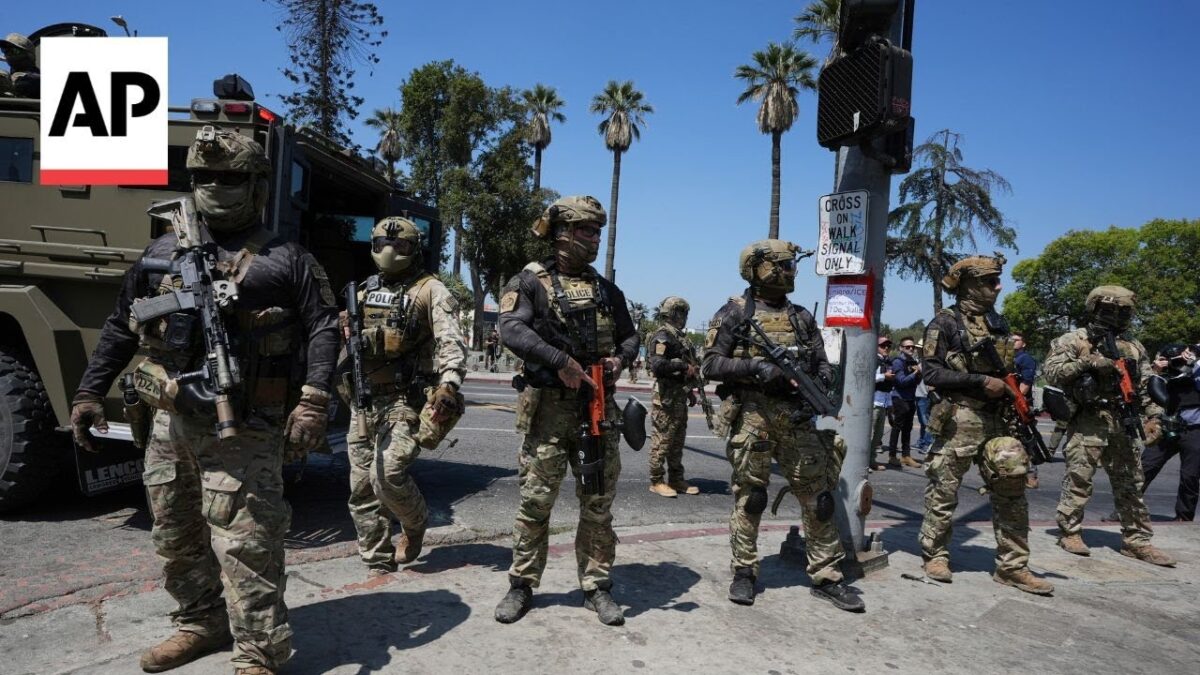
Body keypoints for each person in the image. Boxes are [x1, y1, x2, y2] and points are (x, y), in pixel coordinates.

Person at [69, 126, 338, 674]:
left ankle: (258, 652)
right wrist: (89, 391)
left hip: (243, 425)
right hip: (168, 422)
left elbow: (324, 328)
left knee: (247, 544)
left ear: (258, 185)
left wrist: (312, 401)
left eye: (232, 176)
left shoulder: (285, 259)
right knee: (175, 534)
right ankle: (200, 622)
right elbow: (122, 326)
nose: (217, 185)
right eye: (204, 176)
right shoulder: (161, 252)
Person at [492, 196, 639, 626]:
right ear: (561, 233)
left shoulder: (607, 290)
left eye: (597, 232)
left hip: (597, 410)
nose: (593, 239)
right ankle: (521, 585)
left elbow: (630, 338)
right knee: (536, 503)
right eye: (585, 231)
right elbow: (511, 329)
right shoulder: (530, 283)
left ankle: (597, 586)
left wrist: (618, 361)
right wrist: (561, 362)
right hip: (549, 414)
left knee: (598, 504)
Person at [702, 239, 862, 612]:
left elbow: (823, 362)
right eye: (784, 264)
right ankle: (744, 572)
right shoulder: (734, 313)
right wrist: (757, 369)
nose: (791, 271)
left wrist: (819, 380)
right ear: (758, 269)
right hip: (754, 417)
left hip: (797, 418)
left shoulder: (802, 317)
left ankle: (827, 576)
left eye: (792, 265)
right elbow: (710, 364)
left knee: (820, 499)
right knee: (751, 497)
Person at [918, 255, 1053, 595]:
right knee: (943, 491)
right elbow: (931, 372)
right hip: (960, 418)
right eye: (991, 281)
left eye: (997, 281)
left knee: (1012, 491)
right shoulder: (944, 323)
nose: (998, 287)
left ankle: (1013, 566)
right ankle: (935, 555)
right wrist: (979, 381)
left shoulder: (998, 323)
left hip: (999, 419)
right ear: (970, 285)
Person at [340, 217, 467, 576]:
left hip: (407, 398)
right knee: (362, 488)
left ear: (415, 251)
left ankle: (415, 523)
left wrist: (450, 383)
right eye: (382, 243)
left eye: (401, 246)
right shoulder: (363, 291)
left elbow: (451, 342)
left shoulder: (431, 290)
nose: (390, 251)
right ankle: (377, 561)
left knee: (388, 474)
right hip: (365, 398)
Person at [1043, 285, 1174, 566]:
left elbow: (1144, 386)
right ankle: (1070, 531)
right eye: (1111, 310)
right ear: (1096, 309)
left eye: (1124, 311)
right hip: (1089, 418)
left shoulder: (1134, 346)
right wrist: (1087, 363)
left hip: (1123, 420)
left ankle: (1137, 540)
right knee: (1079, 478)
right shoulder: (1075, 339)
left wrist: (1154, 415)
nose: (1117, 316)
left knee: (1131, 482)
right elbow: (1052, 373)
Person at [647, 296, 702, 497]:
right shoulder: (663, 336)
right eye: (682, 313)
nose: (685, 317)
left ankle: (676, 479)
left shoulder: (679, 337)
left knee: (677, 443)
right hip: (665, 399)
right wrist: (683, 366)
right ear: (673, 313)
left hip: (678, 397)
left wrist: (690, 392)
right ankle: (656, 480)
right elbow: (658, 365)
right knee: (662, 442)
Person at [1141, 344, 1200, 521]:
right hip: (1166, 428)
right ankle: (1125, 512)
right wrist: (1156, 370)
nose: (1174, 363)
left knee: (1190, 476)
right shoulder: (1161, 376)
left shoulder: (1196, 370)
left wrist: (1192, 360)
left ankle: (1183, 517)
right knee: (1144, 468)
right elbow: (1145, 393)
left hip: (1194, 429)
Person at [885, 337, 923, 468]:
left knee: (908, 428)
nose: (911, 349)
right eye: (907, 347)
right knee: (897, 428)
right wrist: (916, 373)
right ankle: (892, 456)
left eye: (912, 347)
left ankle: (906, 456)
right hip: (900, 398)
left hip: (910, 398)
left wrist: (918, 375)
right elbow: (901, 382)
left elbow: (915, 382)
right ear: (901, 348)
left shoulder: (913, 362)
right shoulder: (898, 362)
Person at [1012, 333, 1040, 489]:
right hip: (1009, 404)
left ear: (1023, 343)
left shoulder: (1025, 359)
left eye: (1016, 340)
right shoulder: (1010, 359)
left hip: (1021, 405)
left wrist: (1014, 400)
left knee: (1025, 441)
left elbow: (1024, 386)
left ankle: (1031, 474)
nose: (1013, 342)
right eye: (1011, 340)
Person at [871, 336, 896, 471]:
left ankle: (871, 460)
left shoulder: (887, 362)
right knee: (870, 434)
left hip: (884, 402)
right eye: (883, 346)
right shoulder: (873, 360)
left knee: (878, 436)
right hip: (874, 402)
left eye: (888, 346)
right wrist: (883, 376)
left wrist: (890, 405)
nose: (886, 348)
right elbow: (868, 377)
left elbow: (889, 387)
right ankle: (864, 462)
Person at [0, 33, 39, 98]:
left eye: (14, 51)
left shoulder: (32, 79)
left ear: (29, 55)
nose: (8, 54)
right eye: (5, 50)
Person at [914, 341, 934, 452]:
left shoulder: (927, 362)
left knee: (925, 420)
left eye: (919, 348)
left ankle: (927, 443)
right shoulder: (921, 361)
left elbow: (920, 370)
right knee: (922, 421)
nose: (917, 350)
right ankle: (922, 441)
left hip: (924, 394)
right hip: (920, 393)